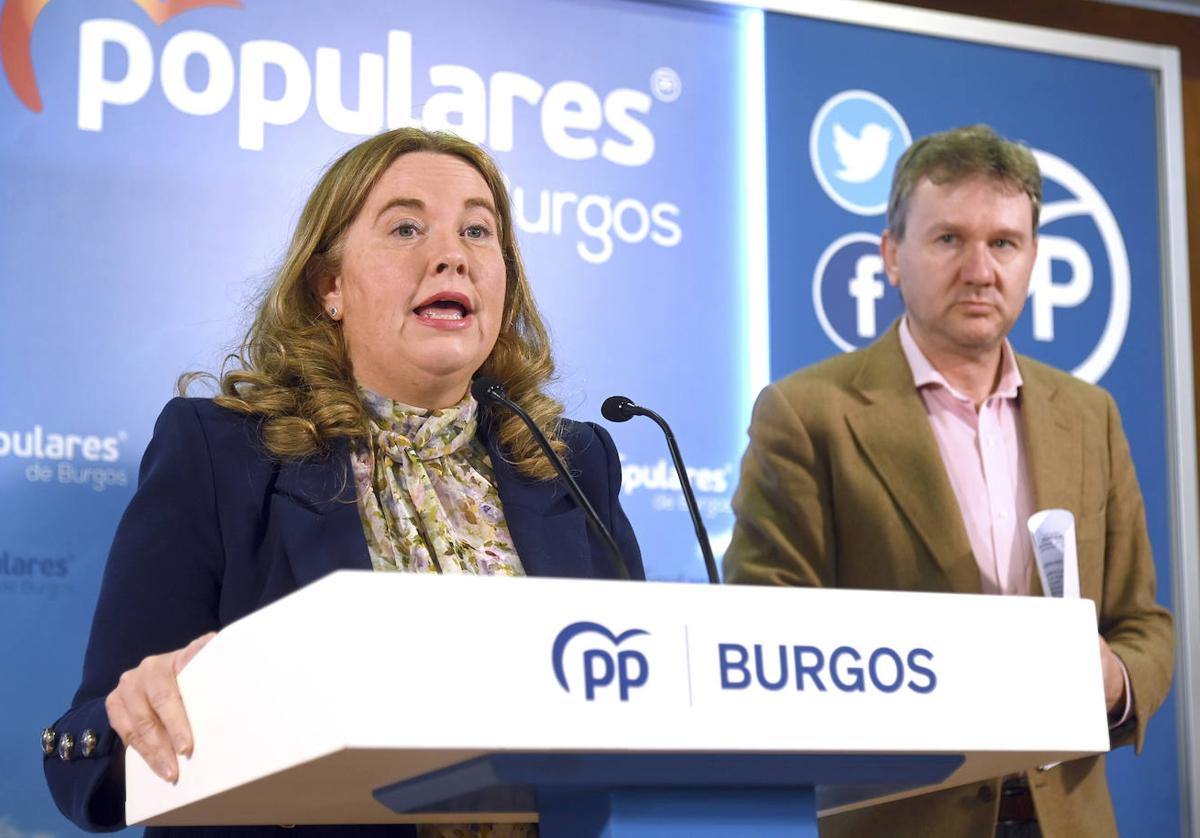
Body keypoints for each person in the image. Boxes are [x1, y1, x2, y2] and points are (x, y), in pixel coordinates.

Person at [42, 127, 644, 837]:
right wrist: (147, 706)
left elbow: (642, 717)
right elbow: (80, 762)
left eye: (479, 231)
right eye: (406, 227)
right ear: (330, 285)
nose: (452, 254)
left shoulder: (572, 464)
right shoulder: (221, 454)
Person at [723, 125, 1173, 837]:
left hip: (1069, 819)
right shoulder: (808, 414)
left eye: (1004, 242)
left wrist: (1112, 678)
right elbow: (763, 627)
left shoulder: (1090, 416)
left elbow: (1143, 622)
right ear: (892, 256)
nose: (979, 269)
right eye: (948, 240)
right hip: (899, 819)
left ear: (1031, 258)